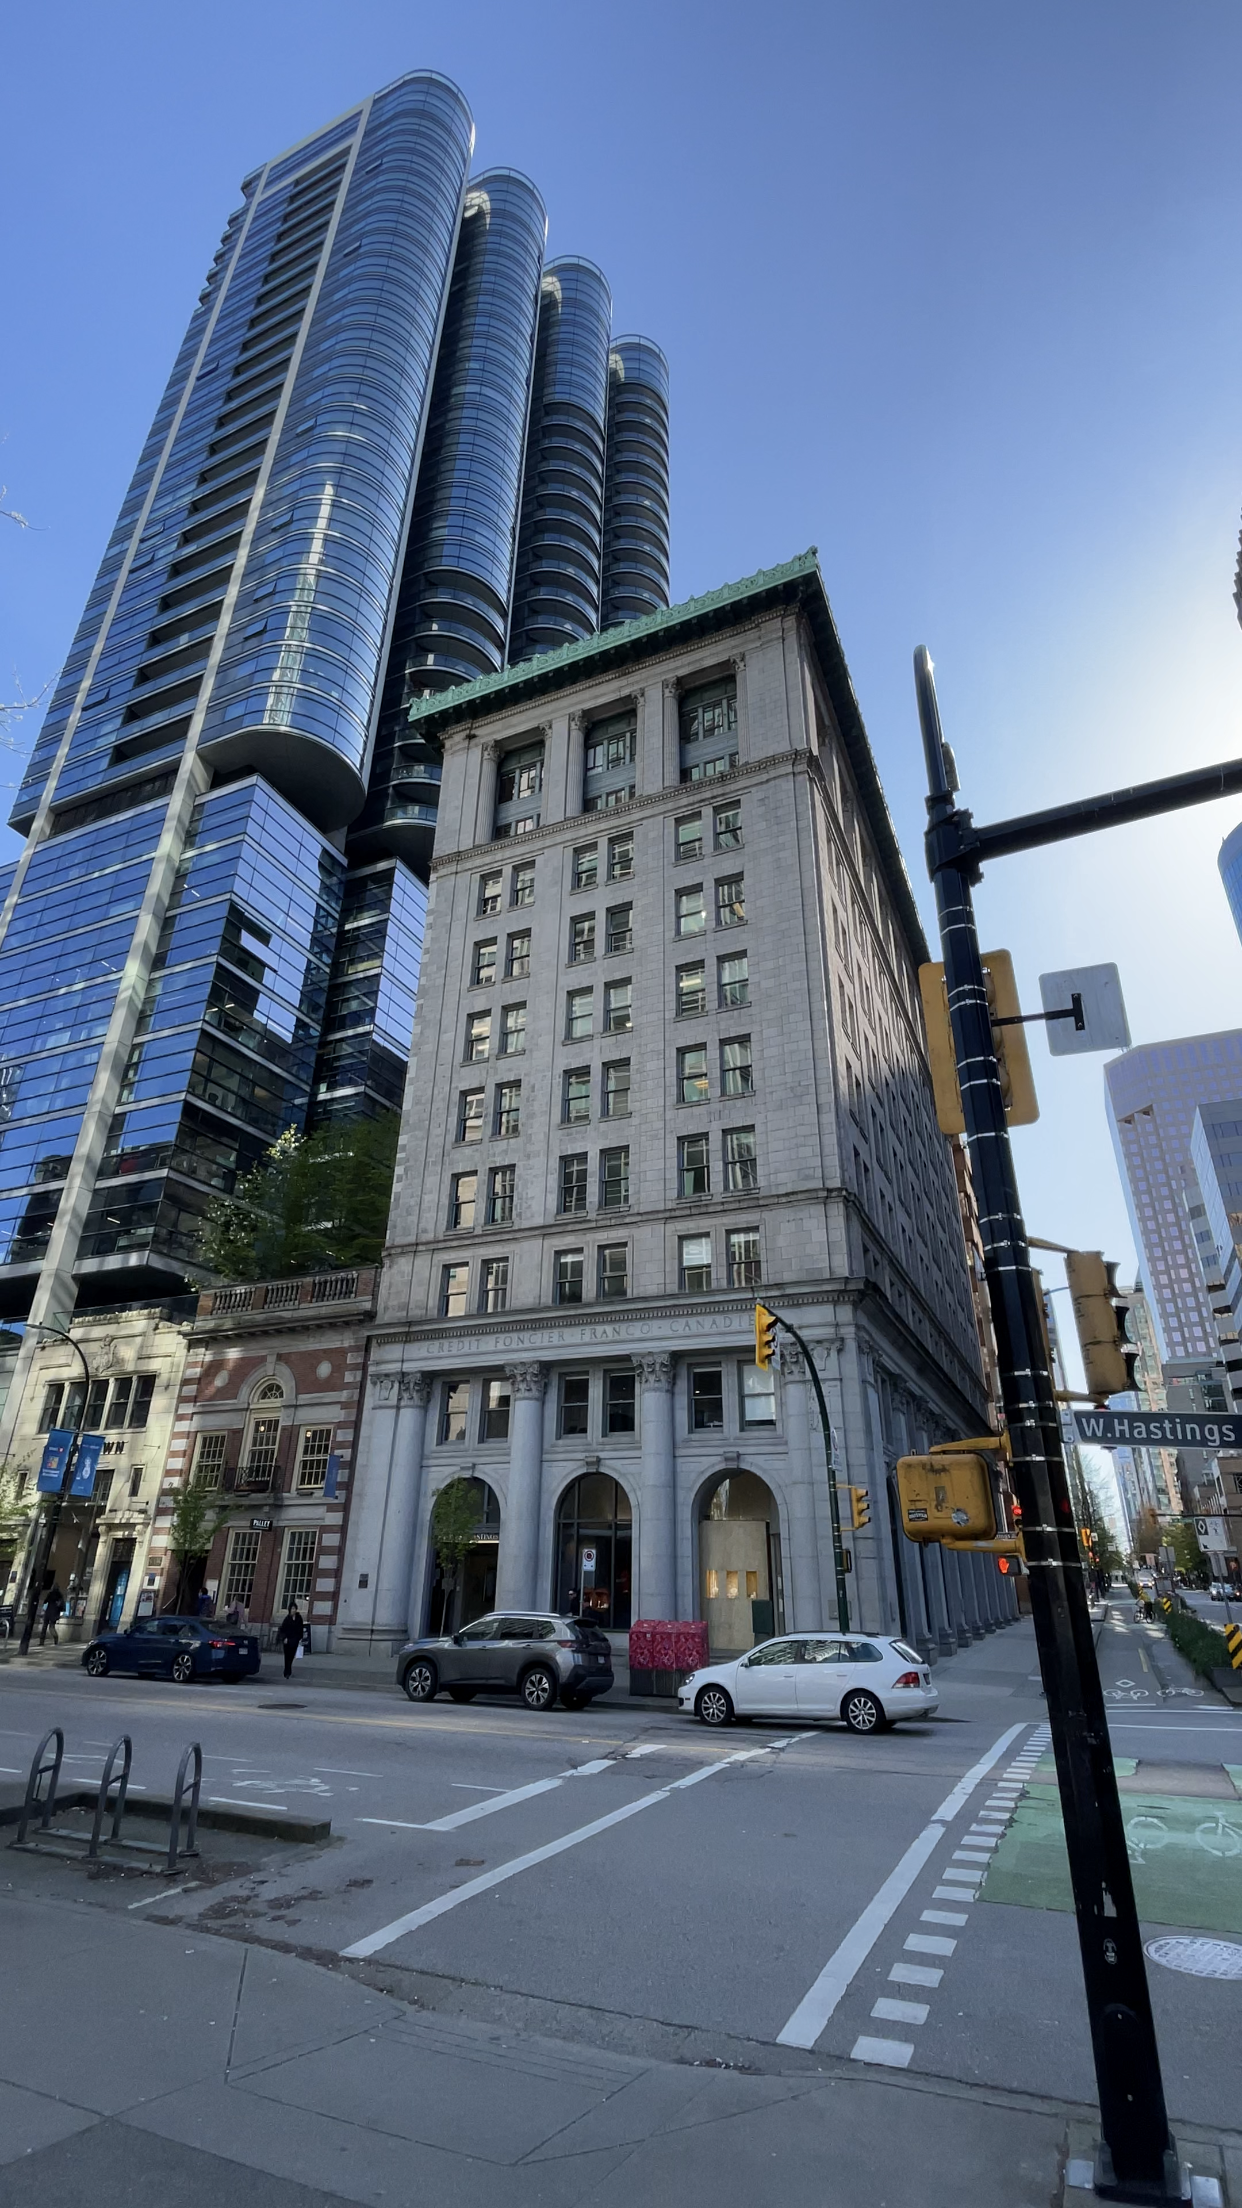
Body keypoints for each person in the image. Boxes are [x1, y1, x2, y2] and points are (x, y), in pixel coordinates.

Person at [278, 1604, 305, 1680]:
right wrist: (284, 1638)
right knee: (287, 1657)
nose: (293, 1610)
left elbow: (301, 1628)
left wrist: (300, 1637)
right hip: (287, 1640)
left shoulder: (299, 1618)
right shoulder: (287, 1619)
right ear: (289, 1610)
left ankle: (288, 1670)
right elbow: (282, 1629)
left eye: (295, 1609)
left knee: (291, 1656)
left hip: (295, 1639)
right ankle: (287, 1672)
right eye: (292, 1609)